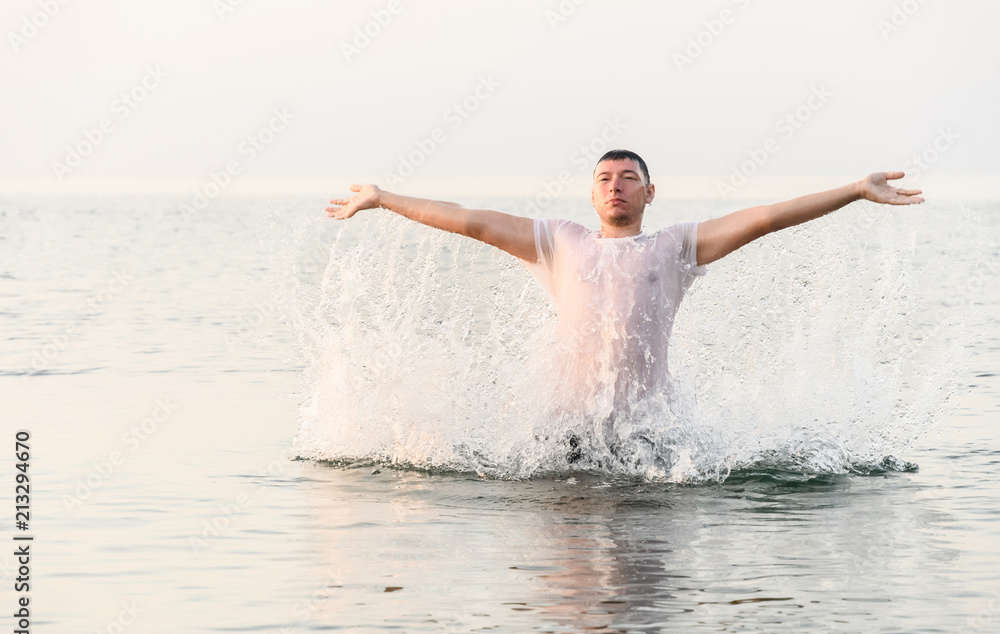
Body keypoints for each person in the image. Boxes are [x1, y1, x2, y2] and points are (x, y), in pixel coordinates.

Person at [325, 149, 923, 468]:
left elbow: (765, 218)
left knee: (643, 559)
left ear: (648, 192)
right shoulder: (558, 241)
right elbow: (474, 221)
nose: (616, 185)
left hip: (647, 438)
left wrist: (852, 190)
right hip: (562, 436)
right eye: (605, 178)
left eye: (629, 177)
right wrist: (383, 198)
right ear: (591, 193)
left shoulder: (678, 247)